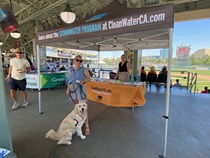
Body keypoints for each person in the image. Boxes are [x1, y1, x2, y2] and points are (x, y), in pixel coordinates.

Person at [66, 55, 91, 135]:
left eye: (80, 61)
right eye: (77, 60)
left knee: (83, 108)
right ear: (74, 60)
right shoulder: (71, 69)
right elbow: (70, 80)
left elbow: (89, 78)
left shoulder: (84, 69)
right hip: (73, 89)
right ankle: (78, 123)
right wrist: (68, 88)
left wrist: (83, 81)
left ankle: (87, 126)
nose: (79, 62)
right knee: (77, 108)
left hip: (80, 89)